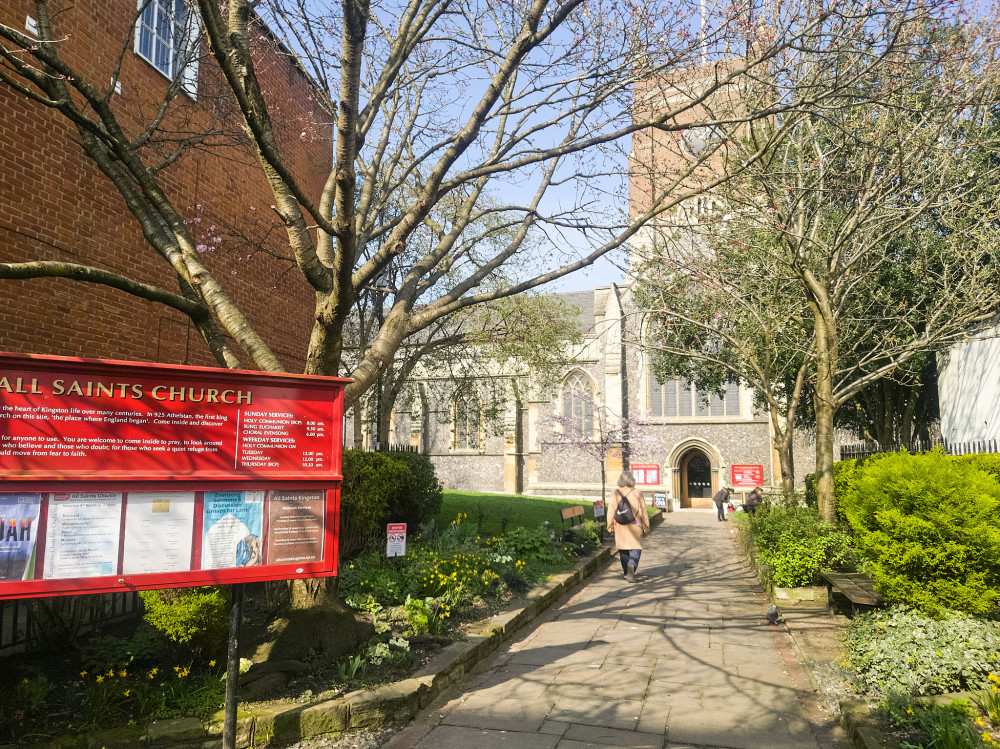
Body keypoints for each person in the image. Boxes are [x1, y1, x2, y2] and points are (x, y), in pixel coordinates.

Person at [607, 470, 651, 582]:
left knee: (623, 549)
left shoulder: (615, 493)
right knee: (637, 546)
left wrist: (609, 525)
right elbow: (643, 511)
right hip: (635, 524)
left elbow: (611, 510)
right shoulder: (637, 492)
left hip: (620, 525)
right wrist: (646, 526)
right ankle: (632, 564)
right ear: (632, 480)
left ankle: (627, 573)